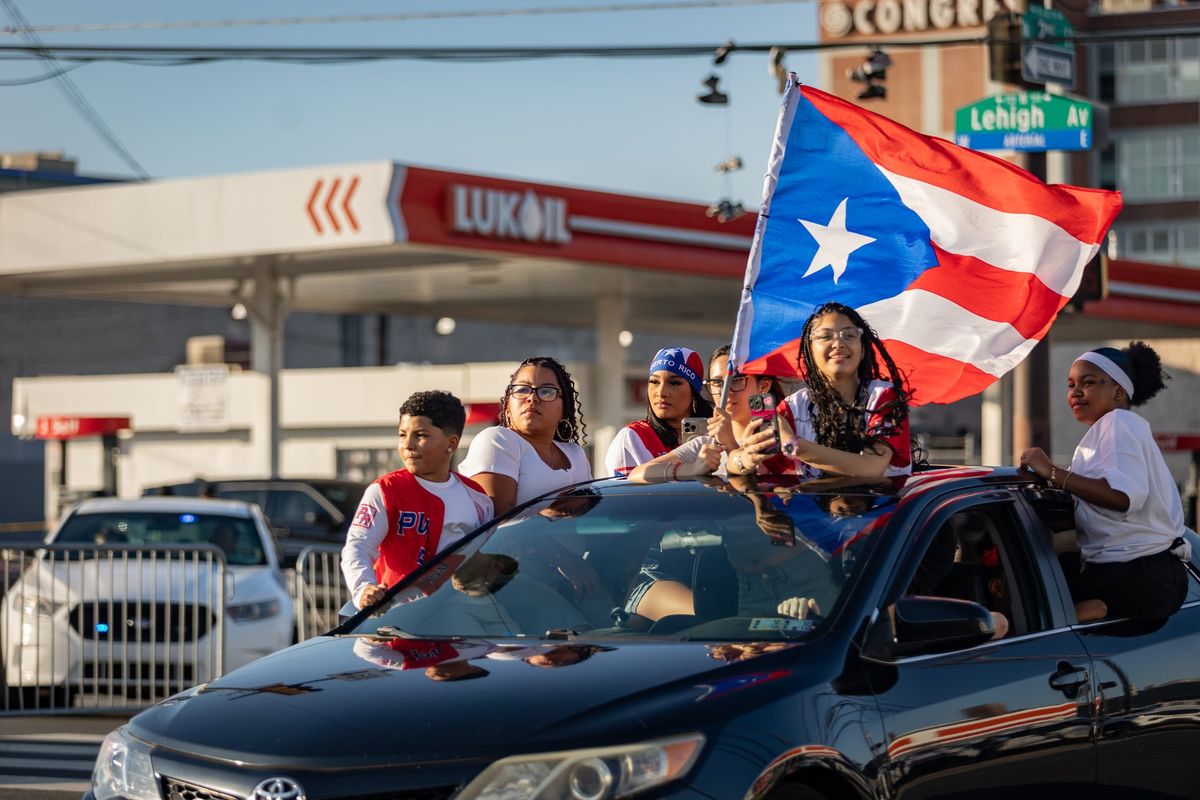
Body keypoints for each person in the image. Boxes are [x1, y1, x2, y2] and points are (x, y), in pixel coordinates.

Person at [1020, 342, 1190, 623]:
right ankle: (1096, 607)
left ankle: (1099, 607)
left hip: (1140, 575)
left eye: (1087, 383)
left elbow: (1121, 497)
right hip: (1135, 574)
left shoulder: (1120, 423)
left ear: (1118, 392)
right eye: (1070, 384)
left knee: (1036, 618)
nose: (1075, 392)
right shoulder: (1104, 433)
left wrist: (1051, 471)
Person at [342, 390, 494, 610]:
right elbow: (358, 546)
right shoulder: (385, 490)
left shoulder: (477, 497)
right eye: (402, 435)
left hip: (461, 614)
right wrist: (363, 588)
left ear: (451, 443)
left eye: (420, 435)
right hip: (396, 621)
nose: (408, 445)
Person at [727, 302, 912, 479]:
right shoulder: (792, 407)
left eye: (849, 335)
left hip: (881, 510)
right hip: (813, 511)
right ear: (810, 350)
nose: (838, 344)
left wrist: (792, 443)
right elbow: (745, 466)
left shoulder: (884, 397)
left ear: (862, 350)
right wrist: (745, 459)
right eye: (825, 336)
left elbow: (871, 467)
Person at [627, 345, 783, 482]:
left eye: (737, 380)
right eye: (716, 383)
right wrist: (692, 469)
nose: (725, 391)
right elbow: (638, 474)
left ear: (764, 385)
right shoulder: (706, 444)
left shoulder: (782, 438)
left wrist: (730, 445)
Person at [459, 356, 591, 515]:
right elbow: (494, 525)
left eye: (547, 391)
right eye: (522, 389)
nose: (532, 398)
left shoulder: (575, 453)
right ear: (508, 404)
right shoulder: (498, 440)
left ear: (564, 408)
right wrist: (547, 516)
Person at [605, 347, 714, 476]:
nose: (661, 393)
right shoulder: (633, 437)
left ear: (694, 392)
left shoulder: (715, 435)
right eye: (654, 382)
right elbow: (626, 494)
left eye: (674, 383)